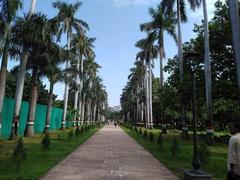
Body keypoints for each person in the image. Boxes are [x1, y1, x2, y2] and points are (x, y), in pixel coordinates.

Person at [227, 115, 240, 180]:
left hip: (234, 171)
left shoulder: (233, 138)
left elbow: (232, 155)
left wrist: (232, 170)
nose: (229, 127)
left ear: (237, 128)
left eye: (231, 126)